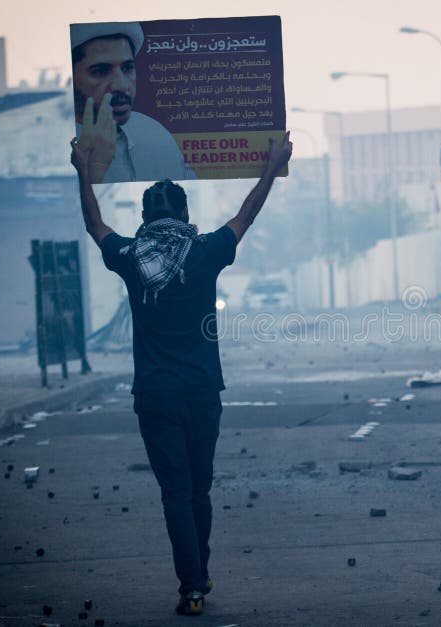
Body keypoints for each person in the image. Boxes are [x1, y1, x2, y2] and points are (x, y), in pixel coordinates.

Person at [70, 131, 292, 615]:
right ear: (187, 217)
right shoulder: (206, 250)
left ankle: (192, 583)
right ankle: (200, 572)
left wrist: (82, 172)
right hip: (201, 393)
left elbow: (94, 224)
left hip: (154, 395)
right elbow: (245, 215)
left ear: (146, 221)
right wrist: (272, 166)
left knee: (175, 491)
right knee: (198, 488)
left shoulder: (131, 257)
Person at [71, 22, 196, 183]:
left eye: (127, 68)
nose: (122, 85)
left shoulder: (153, 131)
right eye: (100, 71)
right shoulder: (55, 147)